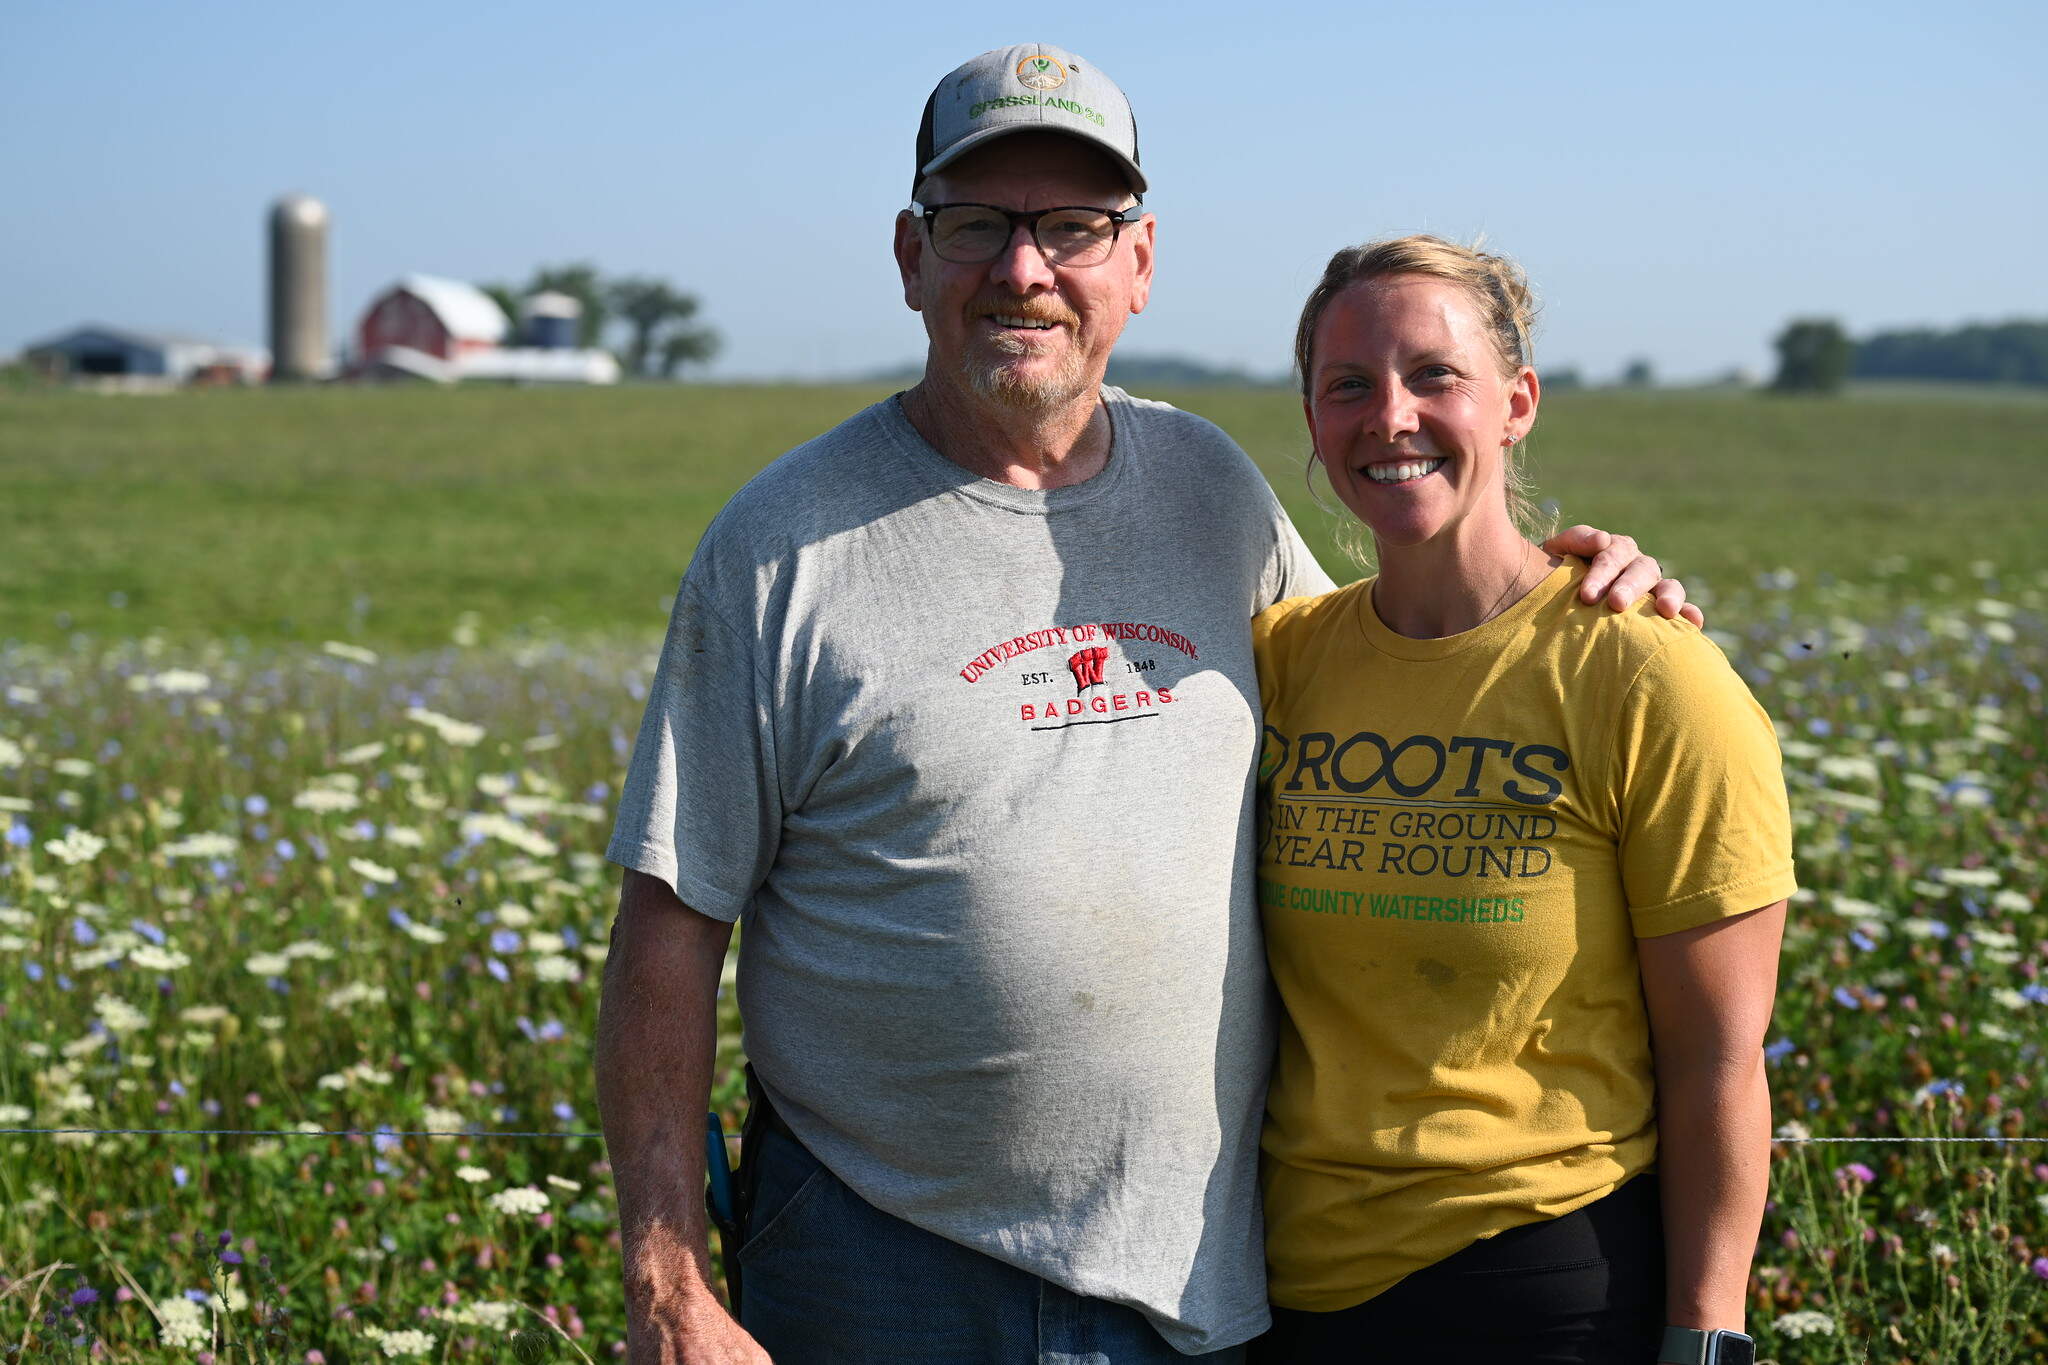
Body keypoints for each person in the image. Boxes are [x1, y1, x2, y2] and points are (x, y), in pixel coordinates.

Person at [595, 46, 1690, 1365]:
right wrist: (670, 1285)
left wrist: (1572, 585)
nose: (1023, 269)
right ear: (908, 256)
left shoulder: (1209, 488)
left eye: (1073, 228)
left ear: (1141, 262)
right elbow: (667, 929)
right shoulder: (781, 546)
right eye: (976, 226)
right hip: (878, 1258)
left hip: (1200, 1279)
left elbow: (1395, 653)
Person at [1249, 235, 1793, 1365]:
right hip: (1286, 1294)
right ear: (1309, 417)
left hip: (1545, 1287)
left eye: (1432, 376)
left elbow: (1719, 1064)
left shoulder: (1646, 676)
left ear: (1516, 403)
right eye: (1346, 384)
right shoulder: (1282, 658)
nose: (1387, 415)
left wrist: (1706, 1340)